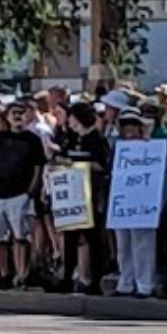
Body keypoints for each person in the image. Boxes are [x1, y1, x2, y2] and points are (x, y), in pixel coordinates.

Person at [0, 98, 48, 290]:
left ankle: (22, 275)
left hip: (20, 195)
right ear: (7, 117)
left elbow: (38, 168)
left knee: (21, 237)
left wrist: (30, 192)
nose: (18, 116)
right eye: (14, 113)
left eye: (21, 112)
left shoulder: (33, 140)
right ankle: (3, 275)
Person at [54, 101, 111, 295]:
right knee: (70, 239)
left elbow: (102, 166)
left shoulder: (96, 139)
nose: (68, 121)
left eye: (71, 117)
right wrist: (62, 161)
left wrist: (79, 164)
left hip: (90, 195)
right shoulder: (69, 138)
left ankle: (94, 281)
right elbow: (59, 157)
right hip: (71, 195)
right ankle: (67, 277)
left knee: (93, 240)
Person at [110, 109, 164, 299]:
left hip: (143, 201)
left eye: (133, 124)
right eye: (125, 125)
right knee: (123, 244)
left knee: (143, 243)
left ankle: (144, 284)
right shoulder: (117, 148)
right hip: (123, 200)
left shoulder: (150, 148)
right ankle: (125, 282)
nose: (129, 128)